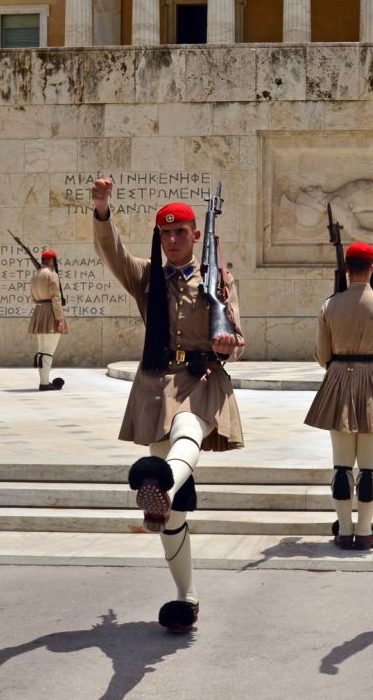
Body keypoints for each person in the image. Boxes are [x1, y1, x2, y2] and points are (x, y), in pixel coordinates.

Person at [90, 177, 245, 633]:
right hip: (158, 385)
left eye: (181, 232)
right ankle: (185, 596)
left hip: (201, 380)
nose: (172, 240)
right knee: (171, 512)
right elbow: (111, 253)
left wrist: (227, 341)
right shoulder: (148, 278)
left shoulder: (220, 279)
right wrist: (103, 212)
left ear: (197, 235)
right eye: (165, 233)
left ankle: (157, 479)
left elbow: (239, 338)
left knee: (189, 433)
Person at [304, 241, 373, 551]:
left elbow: (322, 355)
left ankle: (344, 530)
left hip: (338, 382)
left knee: (342, 465)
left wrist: (337, 369)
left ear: (346, 269)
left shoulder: (329, 305)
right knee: (370, 466)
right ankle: (364, 531)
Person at [28, 249, 68, 391]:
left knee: (41, 350)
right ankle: (44, 383)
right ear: (51, 261)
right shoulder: (52, 275)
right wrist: (60, 319)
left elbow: (33, 297)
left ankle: (44, 381)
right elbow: (56, 298)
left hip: (39, 312)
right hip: (50, 312)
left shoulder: (35, 276)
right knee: (48, 351)